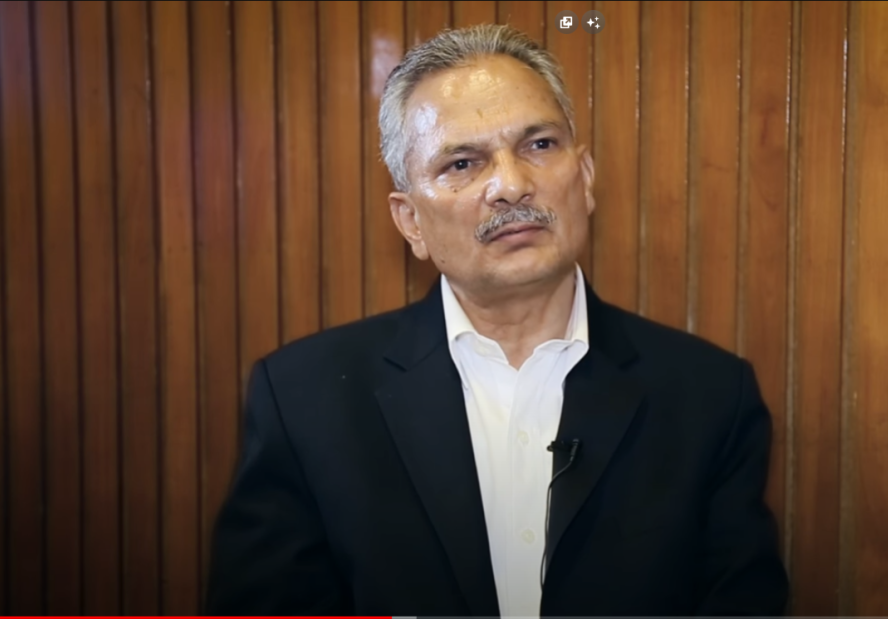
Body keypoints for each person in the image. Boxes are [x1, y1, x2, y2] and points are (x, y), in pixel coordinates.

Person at [205, 24, 788, 617]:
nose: (511, 185)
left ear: (585, 178)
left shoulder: (709, 395)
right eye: (462, 162)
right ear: (410, 222)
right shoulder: (305, 400)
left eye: (539, 145)